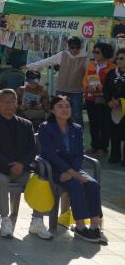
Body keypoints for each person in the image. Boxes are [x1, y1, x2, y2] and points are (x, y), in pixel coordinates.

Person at [0, 89, 50, 240]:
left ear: (17, 103)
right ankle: (5, 219)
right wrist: (9, 165)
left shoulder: (26, 124)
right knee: (0, 181)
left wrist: (22, 164)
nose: (9, 105)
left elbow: (32, 149)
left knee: (39, 181)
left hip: (22, 169)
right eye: (5, 101)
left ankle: (37, 220)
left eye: (12, 101)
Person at [38, 95, 105, 243]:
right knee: (76, 185)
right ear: (53, 110)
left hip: (74, 169)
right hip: (54, 170)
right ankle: (80, 226)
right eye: (60, 106)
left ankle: (95, 226)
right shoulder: (46, 127)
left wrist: (73, 172)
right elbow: (50, 155)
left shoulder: (77, 128)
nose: (64, 109)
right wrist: (72, 173)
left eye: (67, 106)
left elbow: (79, 153)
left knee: (92, 184)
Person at [26, 36, 89, 125]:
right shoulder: (62, 55)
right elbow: (45, 61)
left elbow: (89, 74)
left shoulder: (85, 58)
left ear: (81, 47)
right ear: (68, 46)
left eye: (77, 47)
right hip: (61, 89)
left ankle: (78, 136)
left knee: (77, 115)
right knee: (57, 113)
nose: (75, 50)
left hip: (76, 91)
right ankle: (56, 131)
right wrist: (29, 66)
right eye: (72, 47)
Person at [84, 42, 115, 157]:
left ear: (105, 53)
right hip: (90, 98)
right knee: (93, 123)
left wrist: (102, 89)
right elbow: (85, 79)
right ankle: (94, 146)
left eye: (97, 52)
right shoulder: (91, 64)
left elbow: (112, 83)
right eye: (94, 51)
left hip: (104, 99)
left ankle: (103, 147)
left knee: (104, 123)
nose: (95, 54)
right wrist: (88, 88)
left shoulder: (112, 67)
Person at [103, 48, 125, 163]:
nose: (119, 61)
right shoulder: (112, 73)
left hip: (124, 107)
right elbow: (105, 89)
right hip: (113, 109)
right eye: (118, 58)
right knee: (114, 133)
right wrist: (108, 101)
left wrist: (120, 101)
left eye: (122, 58)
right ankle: (115, 157)